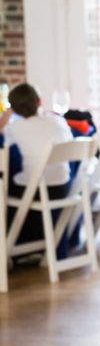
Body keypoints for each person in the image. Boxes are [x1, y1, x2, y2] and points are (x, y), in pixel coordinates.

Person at [0, 82, 74, 249]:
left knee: (6, 185)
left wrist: (9, 111)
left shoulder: (15, 128)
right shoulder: (58, 121)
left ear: (14, 109)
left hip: (36, 191)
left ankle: (16, 244)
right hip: (63, 187)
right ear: (39, 101)